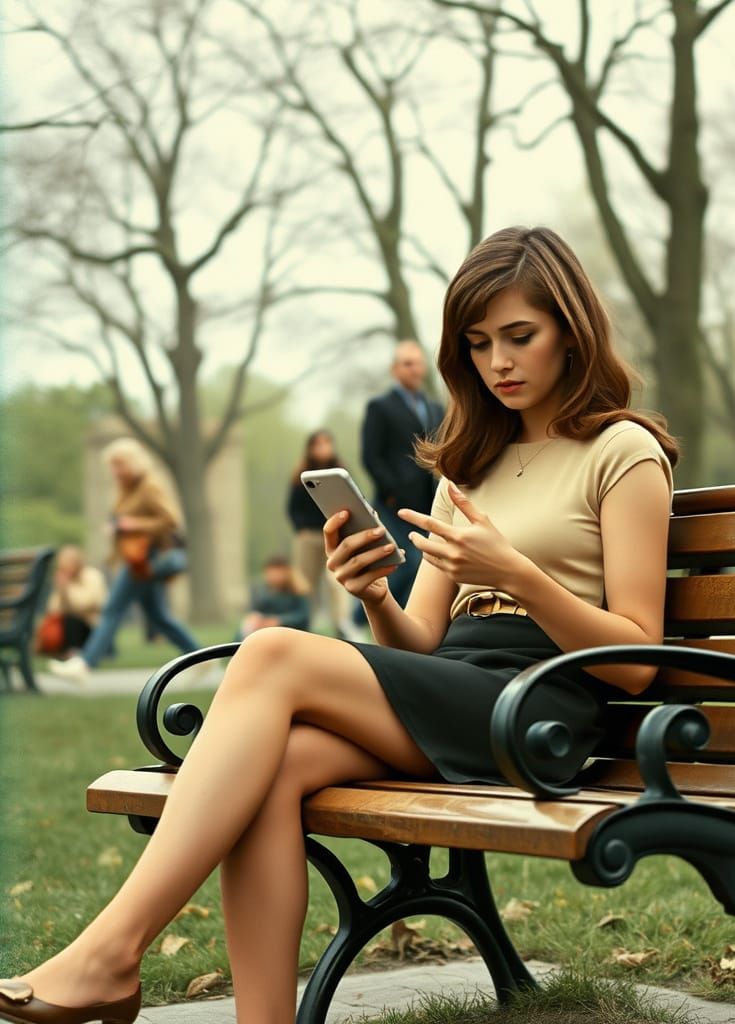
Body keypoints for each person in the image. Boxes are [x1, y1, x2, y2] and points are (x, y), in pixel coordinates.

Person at [1, 226, 676, 1024]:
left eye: (520, 336)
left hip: (540, 706)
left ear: (572, 326)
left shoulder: (622, 451)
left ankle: (111, 955)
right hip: (456, 687)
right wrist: (375, 597)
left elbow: (637, 660)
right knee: (275, 770)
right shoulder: (475, 462)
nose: (499, 361)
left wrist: (518, 577)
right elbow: (420, 642)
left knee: (272, 652)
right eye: (479, 342)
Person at [47, 438, 199, 684]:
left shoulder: (149, 486)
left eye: (120, 465)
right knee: (160, 617)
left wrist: (133, 524)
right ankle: (199, 656)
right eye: (113, 466)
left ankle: (85, 664)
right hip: (135, 558)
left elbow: (171, 520)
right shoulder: (126, 489)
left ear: (134, 463)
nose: (116, 471)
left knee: (111, 610)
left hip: (145, 559)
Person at [360, 340, 445, 607]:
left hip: (428, 503)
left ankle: (410, 624)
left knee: (425, 566)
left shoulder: (435, 409)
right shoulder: (380, 407)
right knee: (407, 562)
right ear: (394, 369)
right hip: (393, 504)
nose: (414, 370)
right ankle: (357, 615)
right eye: (407, 364)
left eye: (418, 363)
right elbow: (371, 456)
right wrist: (391, 491)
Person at [286, 429, 353, 636]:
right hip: (310, 536)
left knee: (337, 581)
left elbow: (352, 501)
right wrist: (301, 530)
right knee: (305, 584)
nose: (323, 448)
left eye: (326, 443)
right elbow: (292, 507)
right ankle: (303, 625)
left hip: (335, 535)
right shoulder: (302, 476)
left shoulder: (340, 472)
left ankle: (342, 624)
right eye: (318, 444)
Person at [36, 545, 107, 657]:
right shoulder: (64, 581)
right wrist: (62, 592)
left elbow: (89, 602)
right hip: (70, 628)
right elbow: (53, 609)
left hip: (92, 627)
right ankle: (67, 650)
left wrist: (67, 590)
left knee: (72, 619)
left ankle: (77, 651)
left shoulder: (92, 575)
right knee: (61, 621)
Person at [237, 555, 311, 639]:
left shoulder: (297, 590)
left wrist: (279, 620)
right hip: (264, 633)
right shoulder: (261, 591)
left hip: (291, 635)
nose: (275, 575)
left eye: (278, 571)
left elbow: (303, 616)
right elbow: (255, 612)